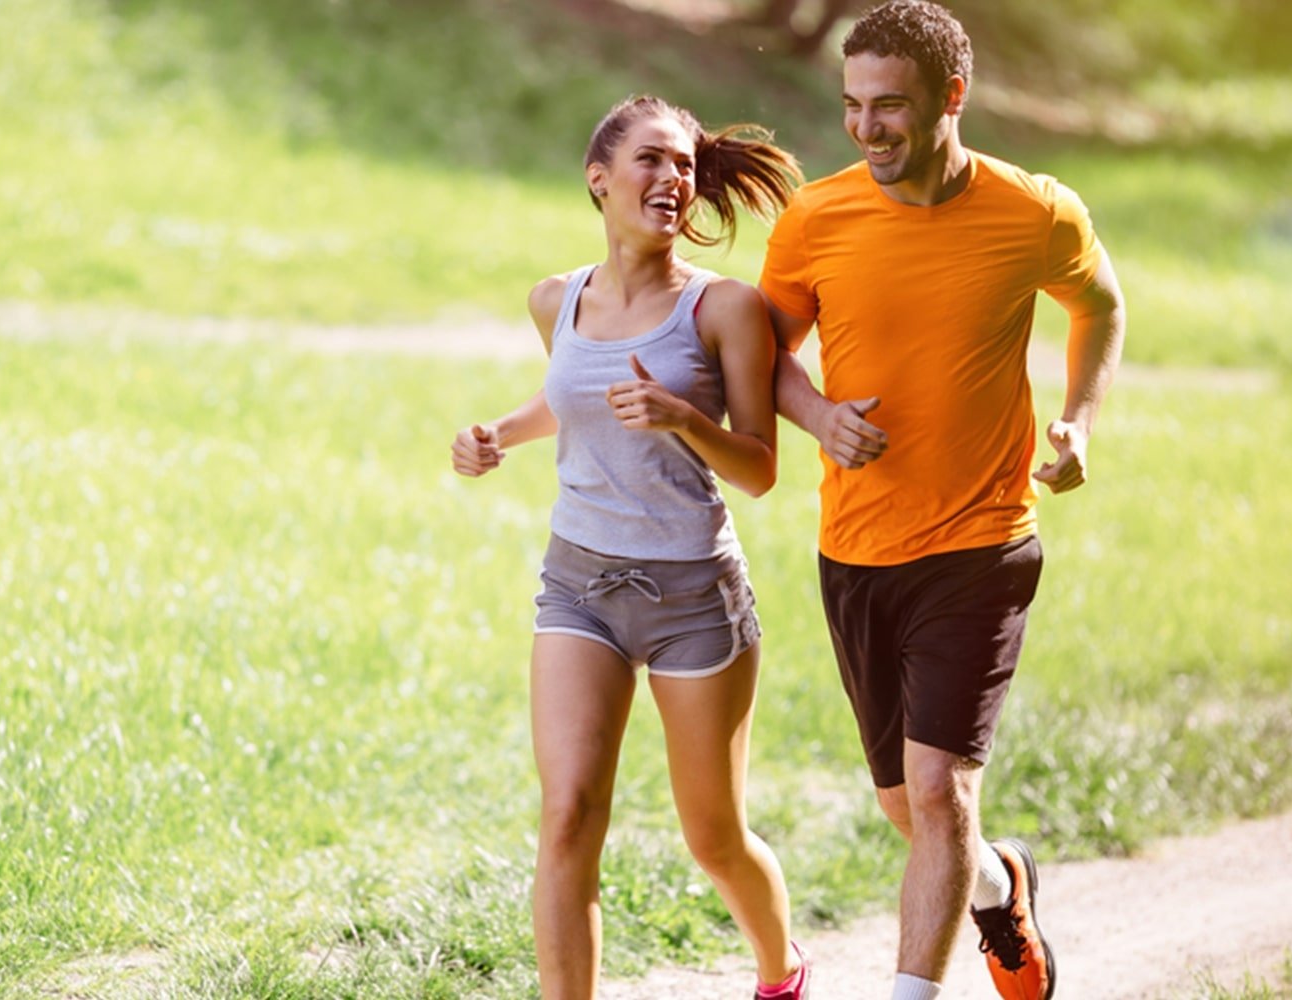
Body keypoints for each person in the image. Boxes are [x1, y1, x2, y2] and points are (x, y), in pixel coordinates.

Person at [757, 3, 1127, 999]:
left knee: (937, 788)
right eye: (853, 106)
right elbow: (765, 358)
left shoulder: (1033, 211)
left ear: (951, 98)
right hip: (857, 548)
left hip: (982, 541)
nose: (868, 128)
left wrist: (1079, 420)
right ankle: (1004, 884)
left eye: (891, 107)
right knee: (908, 805)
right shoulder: (816, 219)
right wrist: (820, 415)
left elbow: (1099, 302)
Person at [451, 95, 808, 1000]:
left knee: (713, 837)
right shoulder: (554, 300)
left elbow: (761, 471)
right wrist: (498, 432)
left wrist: (686, 418)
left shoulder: (725, 308)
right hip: (578, 585)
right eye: (652, 160)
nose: (673, 179)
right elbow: (571, 397)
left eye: (684, 165)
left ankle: (781, 972)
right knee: (568, 817)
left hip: (694, 598)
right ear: (599, 179)